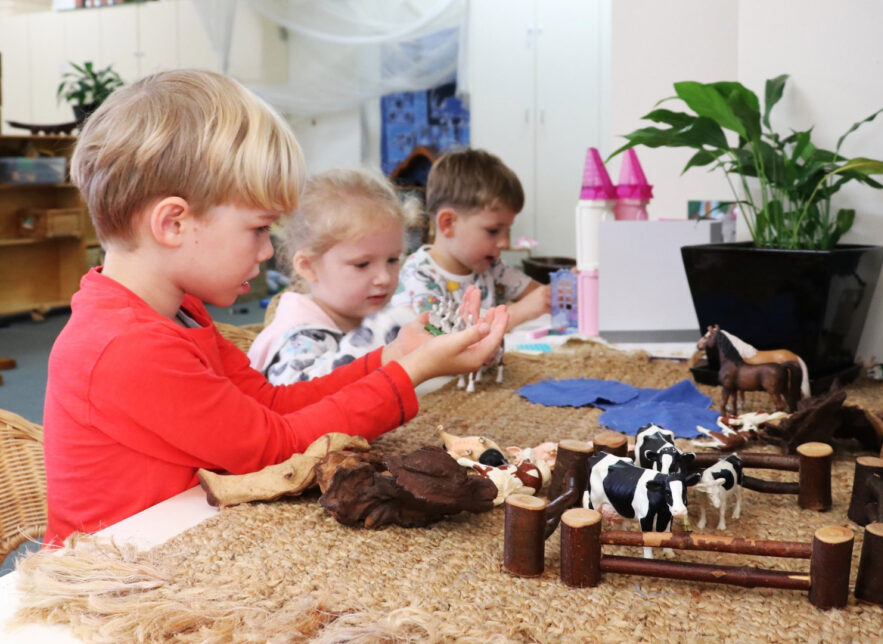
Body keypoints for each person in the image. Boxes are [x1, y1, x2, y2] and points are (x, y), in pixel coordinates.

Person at [42, 70, 508, 546]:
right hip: (117, 580)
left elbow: (268, 406)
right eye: (258, 229)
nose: (267, 252)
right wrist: (411, 373)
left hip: (179, 542)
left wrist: (392, 359)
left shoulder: (176, 313)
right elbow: (273, 447)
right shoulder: (126, 345)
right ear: (174, 223)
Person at [248, 167, 421, 384]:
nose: (384, 278)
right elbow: (298, 396)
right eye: (362, 264)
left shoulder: (361, 312)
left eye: (393, 260)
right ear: (308, 266)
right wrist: (376, 336)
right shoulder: (299, 337)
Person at [390, 148, 549, 329]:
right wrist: (519, 312)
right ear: (448, 223)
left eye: (507, 230)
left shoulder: (492, 268)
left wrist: (569, 286)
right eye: (493, 230)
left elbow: (542, 296)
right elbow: (443, 344)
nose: (505, 242)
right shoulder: (418, 278)